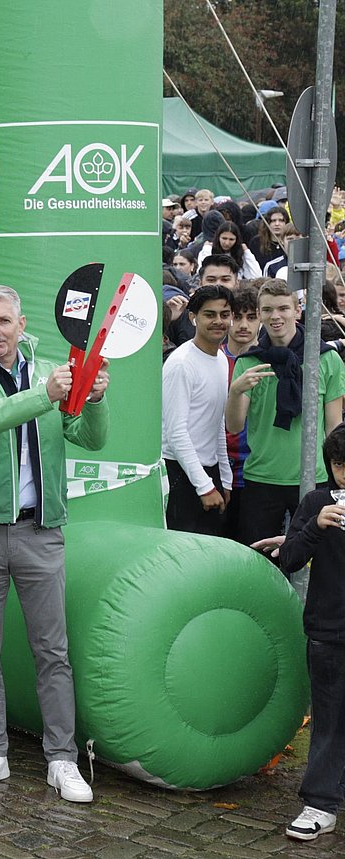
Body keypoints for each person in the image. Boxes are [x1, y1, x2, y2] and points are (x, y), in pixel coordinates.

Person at [0, 285, 108, 803]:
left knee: (52, 651)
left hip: (41, 530)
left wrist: (96, 400)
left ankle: (63, 758)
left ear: (21, 321)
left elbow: (91, 437)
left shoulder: (51, 370)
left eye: (3, 321)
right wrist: (47, 396)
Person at [227, 279, 345, 549]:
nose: (275, 316)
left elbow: (334, 428)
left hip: (313, 478)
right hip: (261, 478)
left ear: (297, 310)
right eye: (267, 310)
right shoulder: (248, 361)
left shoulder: (326, 359)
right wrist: (235, 392)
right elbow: (234, 426)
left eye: (283, 308)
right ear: (260, 314)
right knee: (258, 560)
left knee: (314, 560)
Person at [276, 425, 345, 842]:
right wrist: (316, 526)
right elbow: (290, 560)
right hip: (328, 629)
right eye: (340, 466)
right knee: (329, 718)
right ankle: (320, 803)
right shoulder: (317, 501)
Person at [161, 284, 235, 535]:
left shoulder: (222, 359)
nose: (218, 321)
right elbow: (176, 433)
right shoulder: (181, 364)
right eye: (209, 314)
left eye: (224, 314)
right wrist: (204, 486)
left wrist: (224, 479)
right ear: (193, 318)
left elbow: (217, 424)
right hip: (180, 475)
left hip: (208, 473)